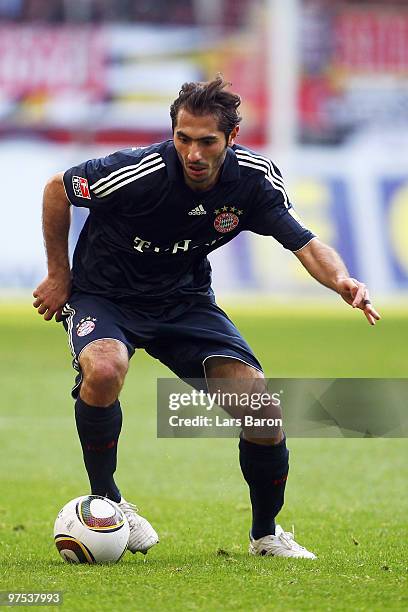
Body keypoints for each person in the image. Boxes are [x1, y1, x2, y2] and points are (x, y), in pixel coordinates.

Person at [33, 76, 380, 559]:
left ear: (232, 138)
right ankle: (110, 503)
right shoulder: (137, 171)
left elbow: (302, 240)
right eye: (182, 138)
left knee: (261, 408)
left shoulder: (253, 180)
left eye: (207, 141)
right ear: (172, 133)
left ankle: (266, 534)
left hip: (183, 301)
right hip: (104, 296)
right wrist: (58, 275)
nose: (193, 153)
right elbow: (57, 188)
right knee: (106, 369)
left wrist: (343, 281)